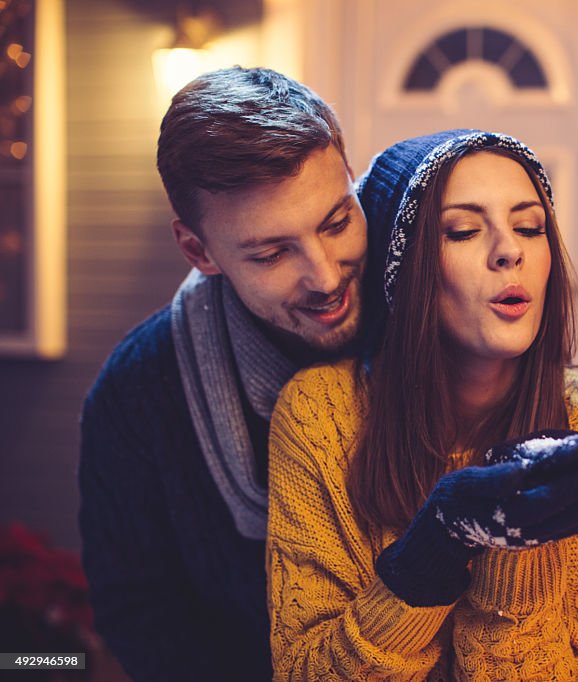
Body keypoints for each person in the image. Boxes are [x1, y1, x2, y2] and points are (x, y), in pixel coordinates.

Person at [266, 130, 578, 680]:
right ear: (403, 273)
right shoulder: (319, 412)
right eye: (464, 231)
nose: (510, 250)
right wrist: (437, 545)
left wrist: (513, 550)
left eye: (530, 227)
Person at [78, 67, 369, 681]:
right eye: (271, 253)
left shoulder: (436, 288)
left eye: (337, 222)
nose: (325, 275)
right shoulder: (132, 395)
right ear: (199, 251)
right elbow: (136, 609)